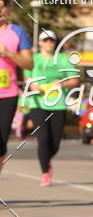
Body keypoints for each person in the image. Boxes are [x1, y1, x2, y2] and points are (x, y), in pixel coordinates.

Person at [22, 30, 78, 185]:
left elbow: (74, 80)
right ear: (39, 43)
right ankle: (45, 173)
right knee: (43, 138)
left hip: (58, 104)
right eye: (45, 40)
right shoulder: (34, 59)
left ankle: (47, 159)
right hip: (38, 104)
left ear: (54, 43)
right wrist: (32, 84)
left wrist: (62, 83)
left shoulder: (62, 59)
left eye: (51, 41)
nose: (48, 43)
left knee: (55, 142)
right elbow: (26, 76)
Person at [0, 0, 33, 178]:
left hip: (7, 94)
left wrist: (8, 53)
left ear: (8, 9)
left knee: (1, 144)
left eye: (3, 5)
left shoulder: (17, 32)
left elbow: (29, 63)